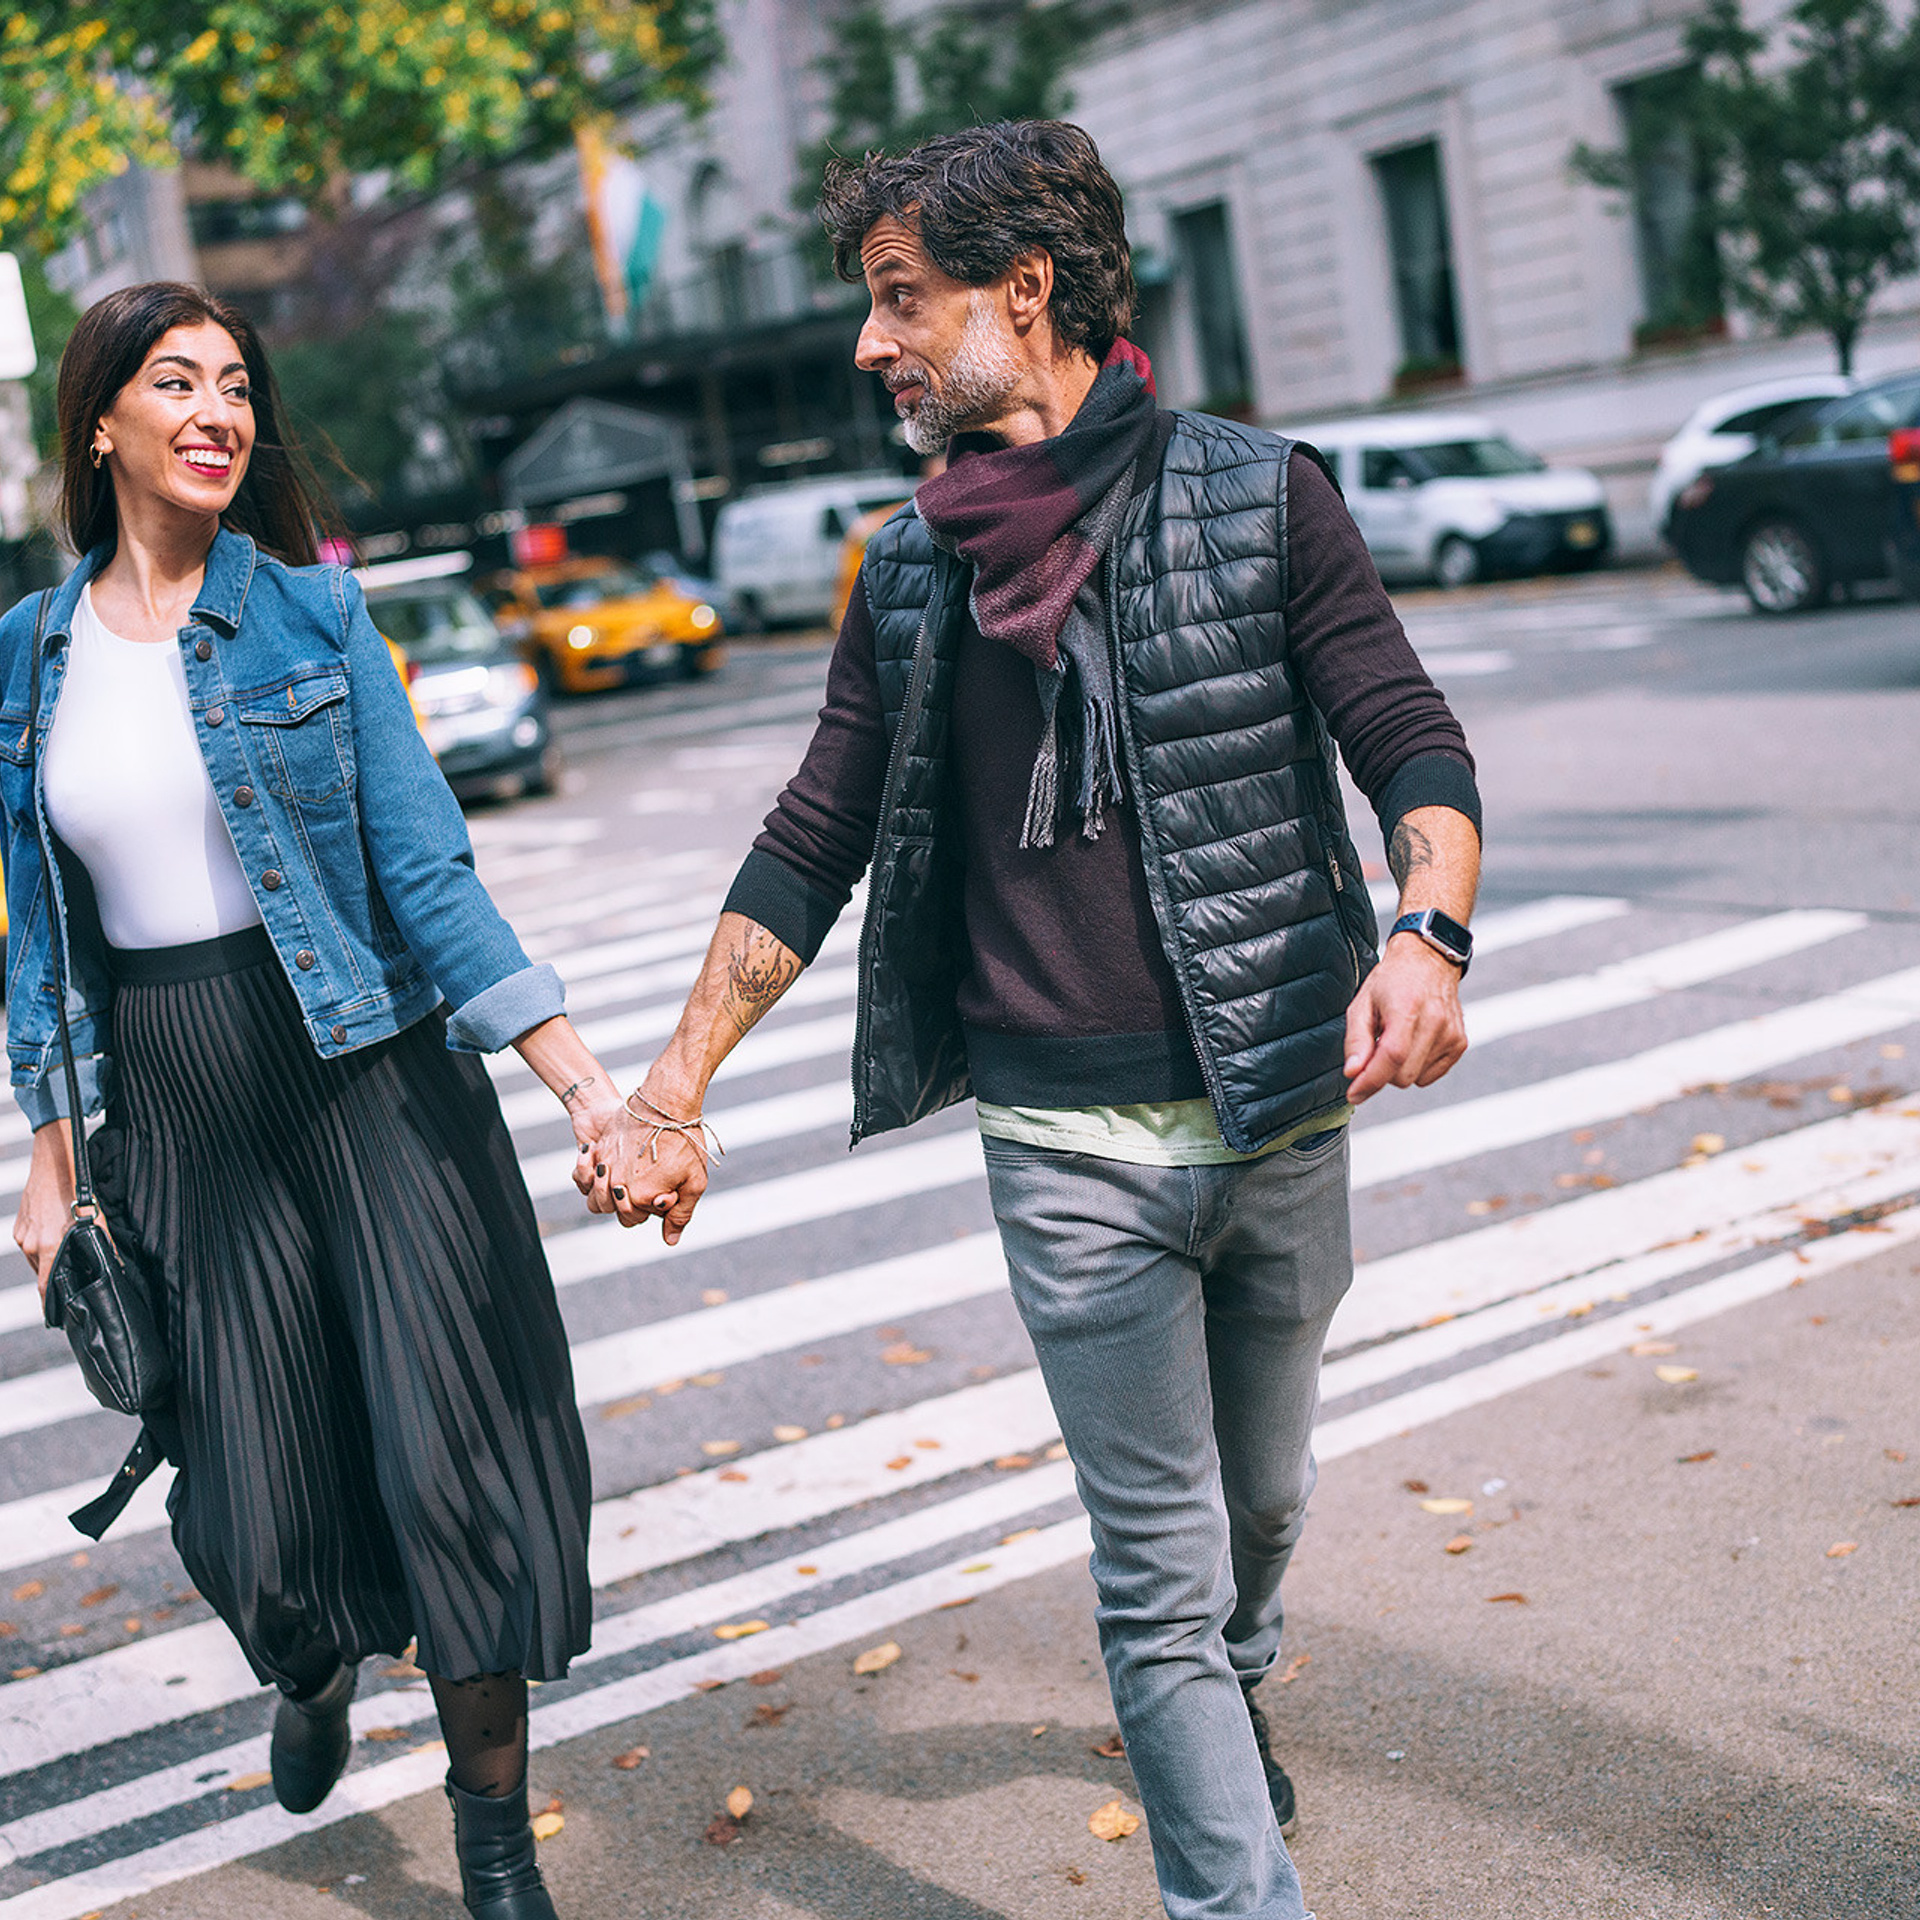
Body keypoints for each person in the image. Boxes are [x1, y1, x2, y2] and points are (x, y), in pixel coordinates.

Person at [590, 122, 1483, 1920]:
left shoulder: (1259, 491)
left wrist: (1431, 931)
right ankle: (1235, 1890)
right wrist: (673, 1081)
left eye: (901, 299)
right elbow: (814, 835)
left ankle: (1233, 1702)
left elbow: (1406, 730)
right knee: (1155, 1578)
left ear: (1028, 289)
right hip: (1067, 1150)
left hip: (1281, 1104)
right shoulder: (911, 570)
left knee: (1261, 1519)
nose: (872, 344)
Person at [1, 283, 619, 1920]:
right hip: (180, 1099)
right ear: (101, 425)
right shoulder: (28, 655)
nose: (217, 413)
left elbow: (429, 875)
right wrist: (51, 1155)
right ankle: (315, 1655)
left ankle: (495, 1847)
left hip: (374, 1082)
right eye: (176, 384)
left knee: (454, 1467)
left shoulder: (317, 620)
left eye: (236, 388)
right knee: (258, 1512)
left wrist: (584, 1087)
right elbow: (37, 931)